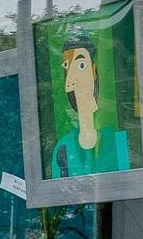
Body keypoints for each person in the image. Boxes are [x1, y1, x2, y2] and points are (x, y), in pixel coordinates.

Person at [48, 27, 133, 179]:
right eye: (67, 68)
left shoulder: (116, 140)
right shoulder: (63, 149)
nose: (72, 81)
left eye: (81, 66)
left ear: (94, 71)